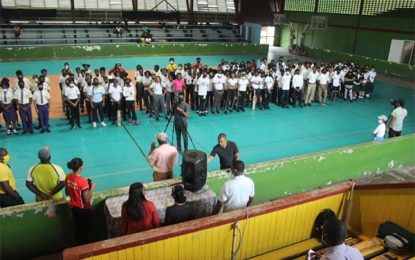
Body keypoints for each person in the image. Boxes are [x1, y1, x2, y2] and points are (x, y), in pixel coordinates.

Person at [65, 158, 96, 245]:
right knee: (85, 232)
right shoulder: (83, 181)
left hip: (74, 208)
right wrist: (92, 187)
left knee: (78, 230)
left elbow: (67, 192)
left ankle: (78, 247)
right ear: (81, 167)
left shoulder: (68, 176)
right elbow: (87, 200)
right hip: (83, 210)